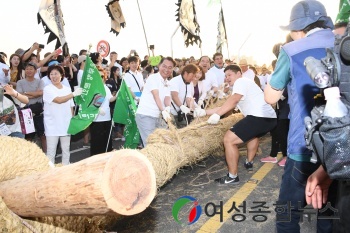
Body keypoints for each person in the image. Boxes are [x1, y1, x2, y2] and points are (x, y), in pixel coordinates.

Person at [263, 1, 337, 232]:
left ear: (297, 29)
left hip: (304, 148)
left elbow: (271, 98)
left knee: (287, 213)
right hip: (340, 150)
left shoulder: (292, 50)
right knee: (330, 212)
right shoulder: (343, 44)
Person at [205, 65, 276, 184]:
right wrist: (204, 112)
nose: (227, 78)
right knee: (253, 135)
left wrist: (218, 115)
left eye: (229, 75)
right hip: (269, 118)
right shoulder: (245, 84)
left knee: (229, 140)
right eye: (225, 76)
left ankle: (232, 177)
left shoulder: (241, 81)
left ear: (239, 73)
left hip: (259, 117)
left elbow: (234, 100)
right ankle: (249, 162)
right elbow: (226, 105)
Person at [43, 65, 83, 165]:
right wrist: (73, 94)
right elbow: (59, 100)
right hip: (52, 125)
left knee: (66, 150)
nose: (53, 76)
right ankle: (49, 174)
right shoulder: (48, 89)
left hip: (66, 123)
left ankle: (66, 169)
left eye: (56, 73)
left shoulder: (67, 89)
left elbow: (71, 106)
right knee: (51, 152)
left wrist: (72, 120)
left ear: (62, 75)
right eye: (51, 74)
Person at [135, 57, 174, 147]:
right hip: (146, 115)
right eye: (164, 66)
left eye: (170, 67)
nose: (166, 69)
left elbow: (167, 97)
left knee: (161, 143)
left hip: (158, 116)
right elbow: (156, 96)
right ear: (159, 66)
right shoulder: (153, 78)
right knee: (150, 144)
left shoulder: (167, 82)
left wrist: (167, 108)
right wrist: (163, 110)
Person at [17, 62, 46, 152]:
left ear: (35, 71)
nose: (28, 71)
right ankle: (28, 155)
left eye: (31, 69)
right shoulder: (20, 82)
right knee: (28, 136)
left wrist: (25, 93)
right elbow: (19, 95)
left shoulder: (40, 81)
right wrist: (34, 94)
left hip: (38, 111)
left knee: (43, 134)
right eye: (27, 69)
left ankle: (47, 155)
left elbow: (41, 93)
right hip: (25, 112)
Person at [90, 67, 116, 156]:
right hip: (96, 120)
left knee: (107, 142)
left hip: (107, 118)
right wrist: (96, 109)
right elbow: (87, 104)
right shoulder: (91, 88)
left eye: (102, 76)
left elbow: (110, 99)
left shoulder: (105, 87)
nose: (100, 78)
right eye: (97, 76)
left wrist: (117, 95)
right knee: (97, 143)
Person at [169, 64, 200, 128]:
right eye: (192, 76)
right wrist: (181, 106)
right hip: (171, 113)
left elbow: (188, 97)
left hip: (181, 113)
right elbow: (174, 96)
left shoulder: (188, 83)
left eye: (194, 76)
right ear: (186, 73)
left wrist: (194, 109)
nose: (193, 78)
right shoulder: (175, 81)